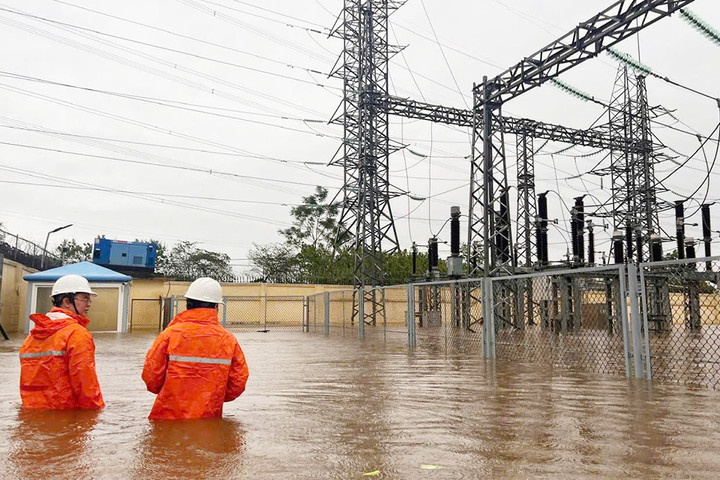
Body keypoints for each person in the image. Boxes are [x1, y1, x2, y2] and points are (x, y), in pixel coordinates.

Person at [142, 277, 249, 420]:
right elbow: (238, 383)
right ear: (216, 306)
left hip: (167, 417)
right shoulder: (228, 340)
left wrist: (169, 393)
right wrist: (214, 396)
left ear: (187, 304)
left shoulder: (169, 335)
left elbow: (151, 378)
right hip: (209, 418)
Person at [19, 274, 104, 409]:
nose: (89, 304)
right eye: (85, 298)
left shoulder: (33, 335)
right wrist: (94, 414)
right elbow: (85, 385)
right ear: (67, 302)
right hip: (66, 413)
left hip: (33, 412)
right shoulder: (77, 334)